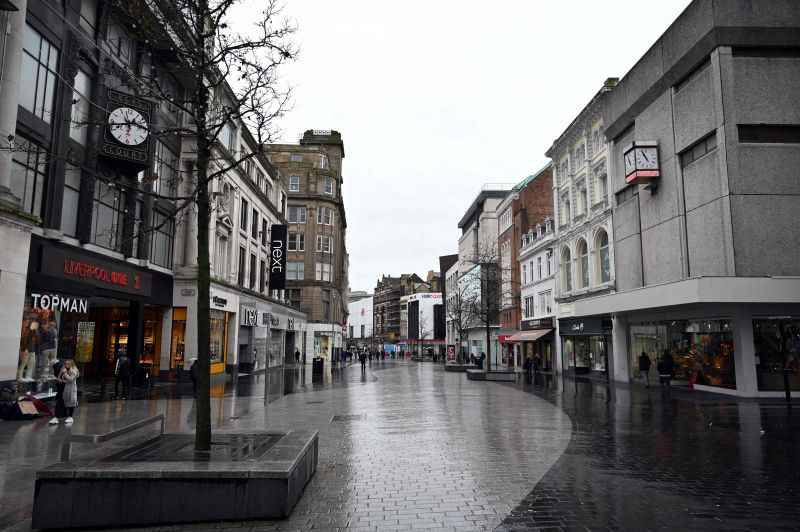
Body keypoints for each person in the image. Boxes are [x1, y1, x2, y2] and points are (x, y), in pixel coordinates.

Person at [58, 359, 79, 425]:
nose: (66, 365)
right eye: (65, 364)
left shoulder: (74, 370)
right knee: (66, 400)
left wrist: (65, 373)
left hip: (72, 388)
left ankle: (70, 416)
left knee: (71, 401)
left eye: (68, 364)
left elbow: (70, 379)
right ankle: (67, 415)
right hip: (67, 387)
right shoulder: (66, 369)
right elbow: (62, 378)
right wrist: (61, 376)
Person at [49, 358, 66, 425]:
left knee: (60, 399)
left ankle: (58, 416)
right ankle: (62, 414)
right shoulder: (61, 365)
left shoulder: (58, 367)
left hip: (62, 386)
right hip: (64, 386)